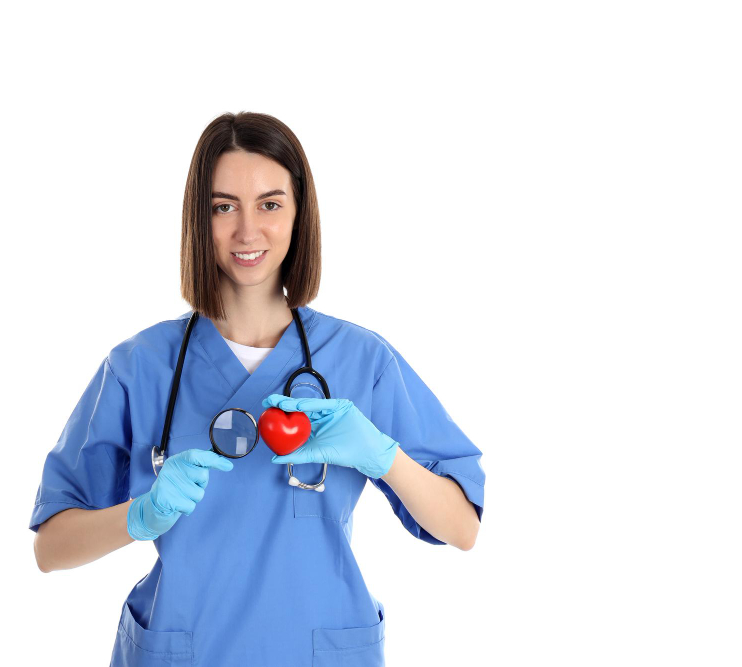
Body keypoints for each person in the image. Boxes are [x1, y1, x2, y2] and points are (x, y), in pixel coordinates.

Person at [29, 111, 485, 666]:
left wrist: (383, 456)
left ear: (299, 214)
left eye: (269, 204)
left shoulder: (361, 360)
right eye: (224, 207)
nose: (247, 232)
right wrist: (140, 516)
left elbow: (462, 527)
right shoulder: (140, 367)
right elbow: (50, 548)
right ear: (199, 218)